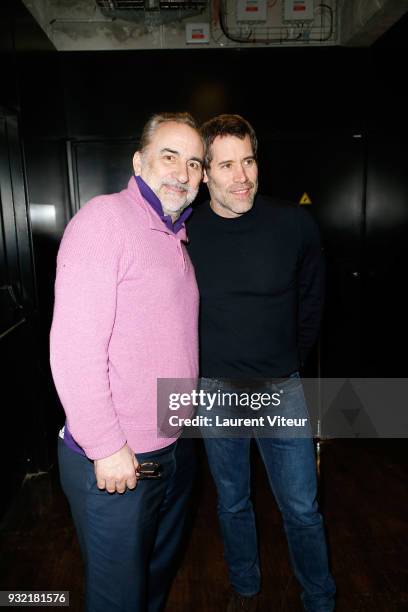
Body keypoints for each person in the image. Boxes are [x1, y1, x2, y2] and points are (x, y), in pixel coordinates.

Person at [50, 112, 204, 612]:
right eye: (170, 156)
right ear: (139, 161)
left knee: (153, 583)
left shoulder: (173, 234)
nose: (183, 172)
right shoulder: (104, 221)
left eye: (195, 162)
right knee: (119, 599)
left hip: (170, 450)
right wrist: (106, 445)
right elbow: (74, 347)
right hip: (120, 461)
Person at [187, 114, 336, 612]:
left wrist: (293, 357)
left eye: (248, 160)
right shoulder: (183, 234)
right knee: (232, 502)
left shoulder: (293, 224)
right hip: (214, 390)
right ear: (204, 173)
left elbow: (313, 297)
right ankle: (246, 589)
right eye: (226, 165)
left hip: (280, 386)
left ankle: (320, 599)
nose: (242, 176)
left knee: (302, 508)